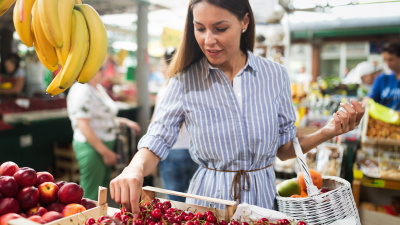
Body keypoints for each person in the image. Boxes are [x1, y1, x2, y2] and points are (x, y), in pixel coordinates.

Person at [110, 0, 364, 213]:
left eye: (220, 28)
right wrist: (134, 168)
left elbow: (284, 150)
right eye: (200, 28)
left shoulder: (275, 76)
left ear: (244, 22)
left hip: (261, 200)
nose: (208, 40)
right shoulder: (184, 80)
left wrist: (328, 131)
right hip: (207, 203)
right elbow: (157, 138)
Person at [67, 66, 141, 201]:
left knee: (102, 189)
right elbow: (83, 125)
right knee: (91, 192)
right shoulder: (82, 90)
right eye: (99, 68)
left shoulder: (98, 88)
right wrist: (106, 152)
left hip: (103, 145)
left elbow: (103, 118)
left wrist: (125, 122)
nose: (104, 71)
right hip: (91, 147)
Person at [155, 47, 198, 202]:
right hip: (195, 151)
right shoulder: (195, 85)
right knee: (195, 200)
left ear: (171, 65)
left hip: (172, 151)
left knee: (175, 202)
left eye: (162, 64)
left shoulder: (167, 89)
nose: (160, 68)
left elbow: (156, 124)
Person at [368, 41, 400, 110]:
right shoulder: (382, 79)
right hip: (382, 119)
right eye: (385, 60)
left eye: (391, 60)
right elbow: (370, 97)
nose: (387, 63)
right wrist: (367, 101)